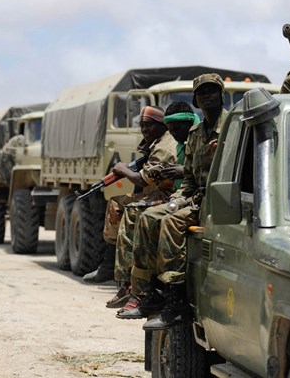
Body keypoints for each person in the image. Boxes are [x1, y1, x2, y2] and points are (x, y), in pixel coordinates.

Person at [127, 73, 227, 330]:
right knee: (149, 217)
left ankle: (176, 300)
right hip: (195, 197)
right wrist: (175, 200)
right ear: (196, 100)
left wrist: (178, 207)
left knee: (171, 222)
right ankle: (149, 291)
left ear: (221, 95)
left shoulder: (231, 127)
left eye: (212, 91)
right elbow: (191, 178)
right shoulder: (195, 133)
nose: (207, 96)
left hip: (221, 198)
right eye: (202, 93)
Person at [112, 101, 198, 318]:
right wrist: (177, 200)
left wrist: (182, 179)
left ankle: (160, 292)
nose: (174, 132)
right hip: (183, 195)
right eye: (171, 127)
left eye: (149, 125)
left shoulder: (191, 141)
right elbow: (185, 184)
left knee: (144, 215)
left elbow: (200, 176)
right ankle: (138, 286)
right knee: (138, 212)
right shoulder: (180, 142)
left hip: (197, 198)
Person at [82, 106, 178, 283]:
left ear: (162, 125)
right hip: (161, 193)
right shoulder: (158, 142)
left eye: (149, 125)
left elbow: (142, 181)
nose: (144, 129)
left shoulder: (163, 147)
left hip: (168, 196)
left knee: (119, 206)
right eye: (142, 125)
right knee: (120, 203)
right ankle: (112, 267)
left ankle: (115, 270)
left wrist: (122, 169)